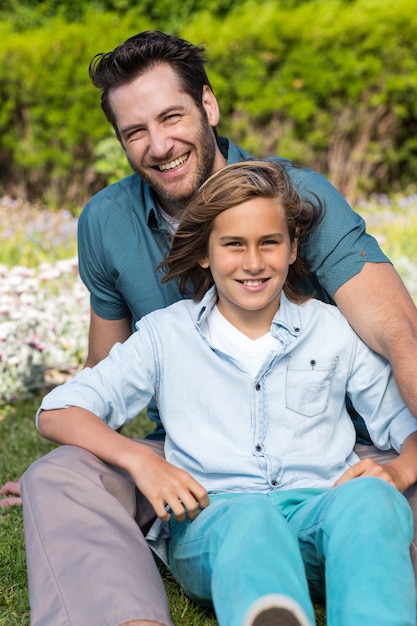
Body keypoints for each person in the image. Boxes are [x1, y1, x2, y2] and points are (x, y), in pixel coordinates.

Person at [20, 30, 417, 626]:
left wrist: (402, 464)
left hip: (338, 448)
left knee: (377, 500)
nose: (158, 145)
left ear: (208, 105)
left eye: (171, 117)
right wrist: (115, 457)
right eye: (135, 132)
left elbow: (399, 334)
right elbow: (99, 383)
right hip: (195, 459)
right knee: (58, 477)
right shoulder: (110, 224)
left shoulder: (300, 201)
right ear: (203, 253)